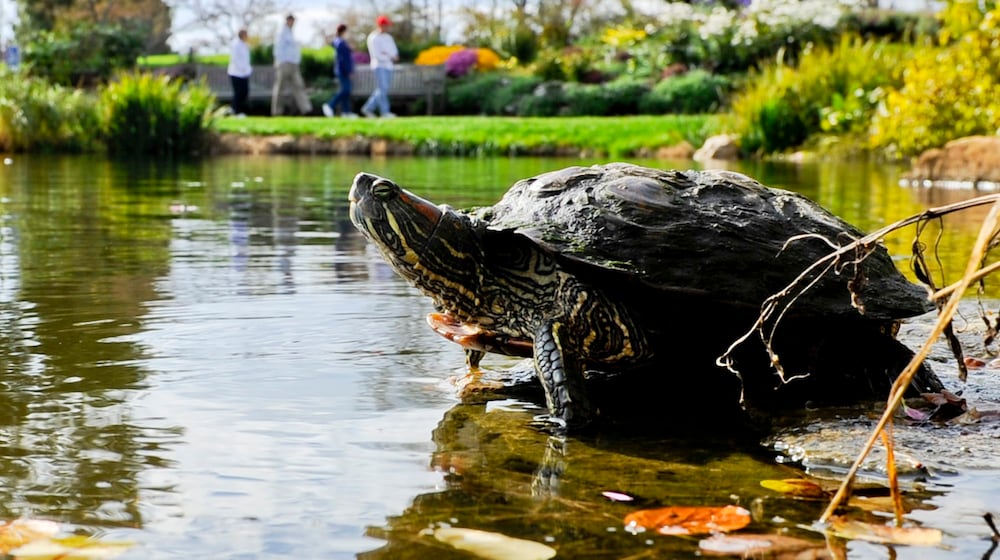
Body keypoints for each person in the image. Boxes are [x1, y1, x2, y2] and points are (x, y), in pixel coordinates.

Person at [272, 13, 313, 116]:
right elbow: (278, 49)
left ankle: (306, 109)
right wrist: (279, 62)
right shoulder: (281, 32)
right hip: (284, 63)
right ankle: (277, 111)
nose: (292, 22)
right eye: (290, 20)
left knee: (299, 85)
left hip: (293, 64)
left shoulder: (291, 33)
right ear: (287, 21)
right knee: (280, 87)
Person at [360, 14, 399, 118]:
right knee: (383, 88)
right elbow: (377, 55)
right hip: (379, 66)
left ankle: (368, 108)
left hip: (389, 67)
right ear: (380, 25)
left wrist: (388, 54)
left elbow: (394, 52)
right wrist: (388, 55)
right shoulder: (373, 38)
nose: (387, 27)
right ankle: (385, 112)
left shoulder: (389, 37)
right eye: (385, 25)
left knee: (382, 90)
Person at [323, 24, 357, 118]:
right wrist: (349, 71)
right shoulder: (341, 43)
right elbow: (344, 59)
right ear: (344, 31)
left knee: (346, 91)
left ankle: (346, 112)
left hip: (342, 70)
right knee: (346, 90)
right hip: (343, 71)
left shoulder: (339, 42)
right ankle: (330, 105)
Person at [227, 29, 252, 117]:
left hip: (244, 73)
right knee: (238, 92)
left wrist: (247, 70)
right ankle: (236, 111)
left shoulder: (245, 45)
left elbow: (246, 59)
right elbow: (235, 59)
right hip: (236, 73)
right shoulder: (235, 44)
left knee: (245, 92)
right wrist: (242, 68)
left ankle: (237, 110)